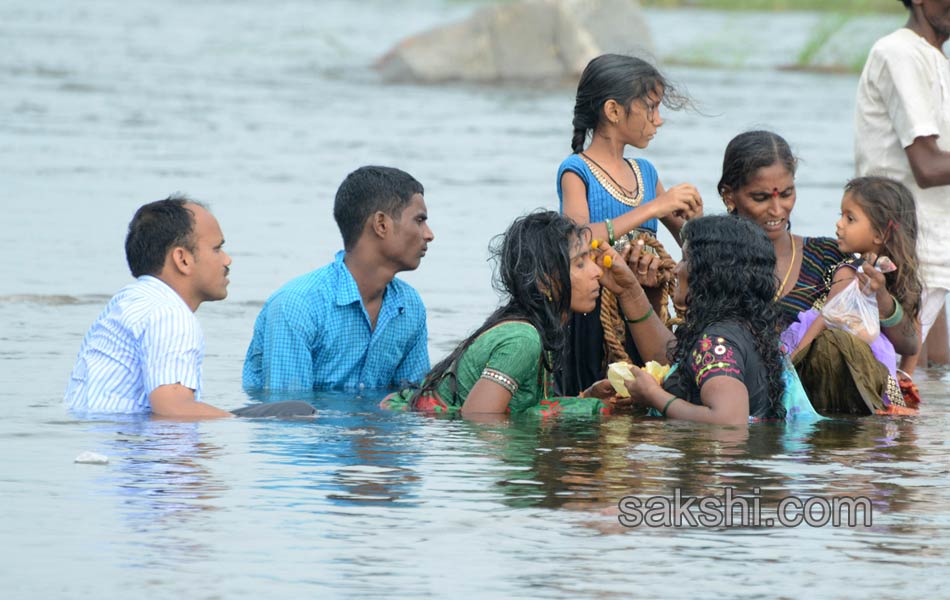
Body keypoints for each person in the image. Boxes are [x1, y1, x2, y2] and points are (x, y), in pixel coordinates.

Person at [718, 131, 918, 415]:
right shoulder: (717, 262)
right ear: (729, 196)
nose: (778, 209)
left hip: (832, 415)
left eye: (786, 194)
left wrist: (883, 296)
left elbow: (907, 342)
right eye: (761, 197)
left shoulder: (830, 257)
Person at [381, 211, 644, 417]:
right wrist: (583, 411)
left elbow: (513, 409)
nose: (596, 272)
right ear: (543, 282)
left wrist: (585, 399)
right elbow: (480, 419)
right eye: (579, 263)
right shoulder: (523, 338)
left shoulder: (535, 329)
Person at [557, 53, 703, 395]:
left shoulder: (645, 172)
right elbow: (575, 241)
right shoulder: (576, 170)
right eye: (650, 108)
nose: (658, 120)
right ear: (613, 111)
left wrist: (693, 225)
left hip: (644, 310)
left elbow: (686, 247)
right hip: (591, 316)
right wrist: (653, 206)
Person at [243, 166, 434, 392]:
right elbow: (288, 416)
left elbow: (411, 404)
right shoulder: (297, 306)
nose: (429, 234)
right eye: (419, 220)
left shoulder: (409, 306)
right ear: (381, 224)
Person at [616, 215, 813, 425]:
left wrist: (653, 396)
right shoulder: (747, 331)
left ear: (708, 274)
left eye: (685, 259)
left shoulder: (717, 341)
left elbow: (729, 420)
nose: (675, 268)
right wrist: (630, 291)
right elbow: (673, 361)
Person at [65, 197, 235, 418]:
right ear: (182, 259)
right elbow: (174, 410)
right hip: (118, 447)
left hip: (95, 442)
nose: (227, 260)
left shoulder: (128, 300)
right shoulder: (170, 315)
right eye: (217, 249)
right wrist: (242, 430)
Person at [854, 0, 950, 374]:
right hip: (905, 246)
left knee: (932, 372)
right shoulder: (899, 52)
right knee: (902, 384)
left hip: (930, 246)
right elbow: (926, 166)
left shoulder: (935, 59)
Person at [782, 177, 922, 413]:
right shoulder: (851, 269)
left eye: (850, 218)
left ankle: (893, 405)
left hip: (862, 348)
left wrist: (792, 362)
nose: (839, 224)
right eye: (841, 215)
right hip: (852, 349)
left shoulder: (865, 270)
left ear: (879, 235)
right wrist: (905, 375)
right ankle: (893, 404)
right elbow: (829, 315)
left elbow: (913, 326)